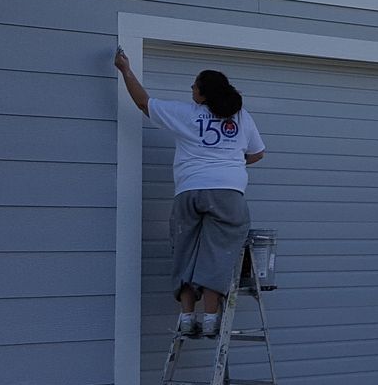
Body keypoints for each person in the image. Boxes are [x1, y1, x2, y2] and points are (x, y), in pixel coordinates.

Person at [114, 48, 266, 337]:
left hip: (189, 191)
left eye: (195, 86)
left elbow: (144, 103)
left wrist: (125, 69)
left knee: (185, 250)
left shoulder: (187, 113)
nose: (191, 89)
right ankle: (210, 319)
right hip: (228, 193)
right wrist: (231, 163)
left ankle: (186, 317)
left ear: (204, 94)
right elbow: (258, 153)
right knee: (218, 253)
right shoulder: (242, 117)